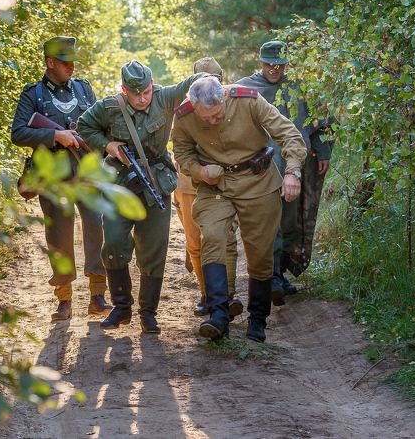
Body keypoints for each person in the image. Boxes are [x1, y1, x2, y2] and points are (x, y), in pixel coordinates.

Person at [172, 76, 306, 342]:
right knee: (212, 236)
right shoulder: (185, 115)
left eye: (216, 115)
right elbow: (182, 153)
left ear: (224, 98)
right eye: (205, 117)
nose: (211, 121)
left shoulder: (249, 100)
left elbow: (288, 134)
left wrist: (293, 172)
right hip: (215, 185)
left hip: (258, 181)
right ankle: (219, 314)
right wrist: (199, 171)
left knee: (259, 251)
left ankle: (258, 318)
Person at [77, 60, 204, 334]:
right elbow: (84, 126)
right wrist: (108, 145)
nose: (143, 98)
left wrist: (209, 80)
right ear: (124, 90)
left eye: (146, 91)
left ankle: (148, 313)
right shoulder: (110, 107)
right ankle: (122, 308)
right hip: (119, 184)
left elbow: (192, 83)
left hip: (156, 183)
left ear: (152, 84)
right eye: (136, 94)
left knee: (154, 248)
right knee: (112, 243)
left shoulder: (165, 97)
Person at [10, 36, 111, 322]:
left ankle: (97, 295)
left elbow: (98, 125)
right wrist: (55, 135)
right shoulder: (33, 95)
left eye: (72, 62)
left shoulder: (84, 89)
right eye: (64, 62)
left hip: (87, 174)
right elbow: (18, 133)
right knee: (59, 237)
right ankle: (64, 299)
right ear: (49, 62)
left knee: (95, 229)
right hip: (53, 178)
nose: (71, 67)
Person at [234, 41, 333, 305]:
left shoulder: (300, 88)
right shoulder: (245, 88)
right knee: (271, 224)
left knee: (291, 222)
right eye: (268, 64)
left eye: (279, 65)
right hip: (261, 169)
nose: (274, 69)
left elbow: (321, 122)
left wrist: (323, 152)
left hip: (295, 168)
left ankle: (283, 272)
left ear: (286, 64)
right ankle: (272, 277)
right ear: (260, 62)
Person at [173, 57, 243, 318]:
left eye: (215, 79)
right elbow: (178, 149)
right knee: (195, 240)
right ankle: (206, 293)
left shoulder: (231, 105)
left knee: (226, 237)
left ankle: (226, 296)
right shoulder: (185, 108)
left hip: (226, 181)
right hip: (191, 184)